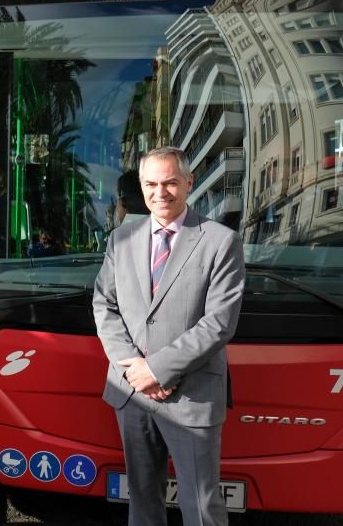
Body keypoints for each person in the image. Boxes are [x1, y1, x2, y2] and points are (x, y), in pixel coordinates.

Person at [92, 146, 244, 526]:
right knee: (142, 502)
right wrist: (133, 369)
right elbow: (104, 306)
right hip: (131, 393)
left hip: (191, 395)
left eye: (170, 182)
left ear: (189, 183)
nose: (160, 192)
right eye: (151, 184)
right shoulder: (121, 239)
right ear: (141, 187)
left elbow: (219, 323)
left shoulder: (220, 242)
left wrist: (157, 370)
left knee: (202, 507)